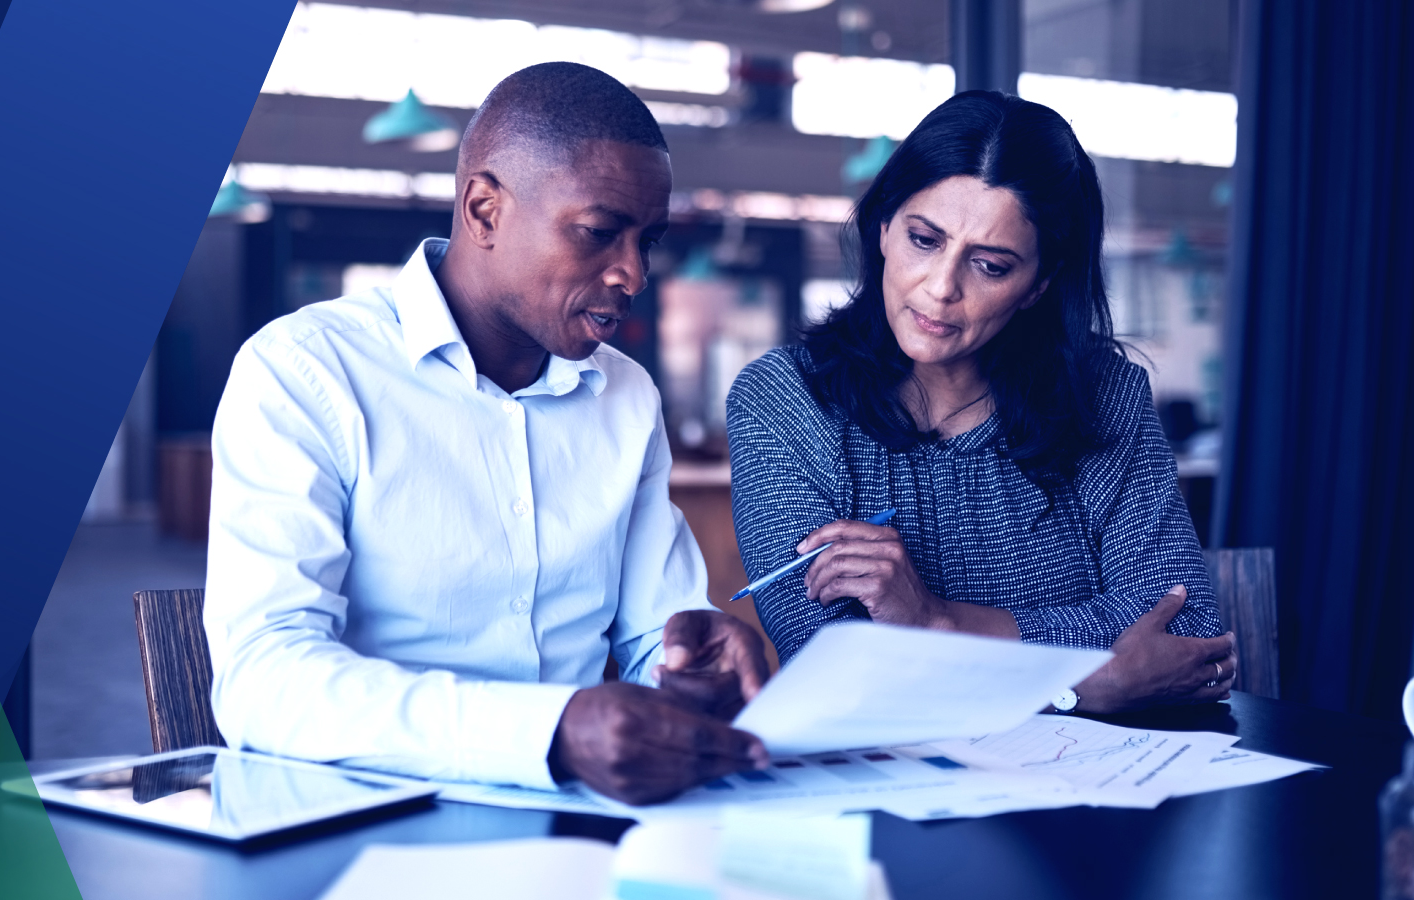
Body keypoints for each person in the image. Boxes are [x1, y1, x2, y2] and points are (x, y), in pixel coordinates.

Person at [204, 62, 769, 805]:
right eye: (600, 233)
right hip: (364, 821)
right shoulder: (306, 373)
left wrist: (692, 656)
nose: (632, 273)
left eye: (648, 240)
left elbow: (651, 636)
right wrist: (551, 732)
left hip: (582, 821)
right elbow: (263, 680)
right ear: (483, 210)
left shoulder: (625, 395)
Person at [726, 91, 1236, 714]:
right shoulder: (784, 400)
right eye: (923, 239)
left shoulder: (1107, 396)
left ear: (1038, 286)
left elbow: (1185, 634)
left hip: (1095, 789)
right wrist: (1089, 682)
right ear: (883, 228)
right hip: (894, 789)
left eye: (991, 266)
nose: (941, 289)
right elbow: (835, 667)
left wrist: (934, 622)